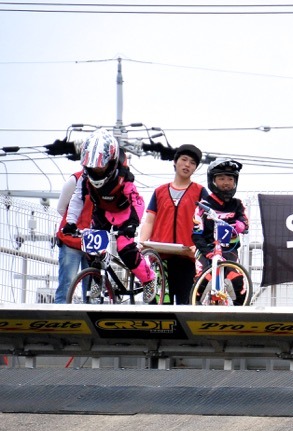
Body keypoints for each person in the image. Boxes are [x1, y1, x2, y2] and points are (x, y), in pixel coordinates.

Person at [63, 128, 156, 301]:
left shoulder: (123, 177)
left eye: (101, 167)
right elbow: (77, 198)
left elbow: (138, 201)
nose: (97, 171)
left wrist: (132, 224)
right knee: (92, 248)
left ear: (111, 161)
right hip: (102, 213)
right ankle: (98, 276)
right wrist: (70, 222)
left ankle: (148, 278)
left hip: (124, 213)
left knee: (125, 248)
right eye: (93, 167)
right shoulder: (85, 177)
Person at [139, 143, 204, 304]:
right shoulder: (159, 191)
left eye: (193, 163)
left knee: (186, 306)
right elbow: (149, 220)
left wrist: (199, 247)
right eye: (184, 159)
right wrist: (142, 243)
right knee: (160, 306)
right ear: (175, 162)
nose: (187, 165)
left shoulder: (200, 191)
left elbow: (206, 223)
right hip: (161, 258)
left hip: (187, 258)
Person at [192, 158, 250, 304]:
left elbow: (245, 222)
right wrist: (207, 252)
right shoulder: (203, 205)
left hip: (229, 252)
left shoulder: (237, 204)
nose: (226, 182)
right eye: (221, 178)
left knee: (238, 283)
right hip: (206, 251)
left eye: (230, 179)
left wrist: (241, 225)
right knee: (202, 283)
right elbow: (196, 234)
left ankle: (241, 316)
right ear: (213, 181)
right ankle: (193, 310)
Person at [53, 169, 91, 303]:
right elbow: (61, 208)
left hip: (90, 239)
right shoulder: (75, 179)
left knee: (90, 287)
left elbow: (61, 208)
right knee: (67, 285)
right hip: (73, 239)